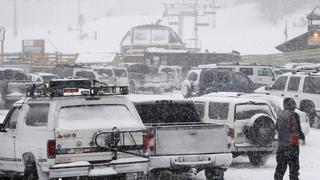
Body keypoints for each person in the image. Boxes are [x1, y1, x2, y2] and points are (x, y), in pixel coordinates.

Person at [274, 98, 306, 180]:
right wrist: (301, 137)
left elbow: (277, 127)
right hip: (292, 146)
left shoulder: (280, 115)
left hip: (282, 146)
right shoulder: (294, 116)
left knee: (280, 169)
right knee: (294, 170)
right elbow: (297, 129)